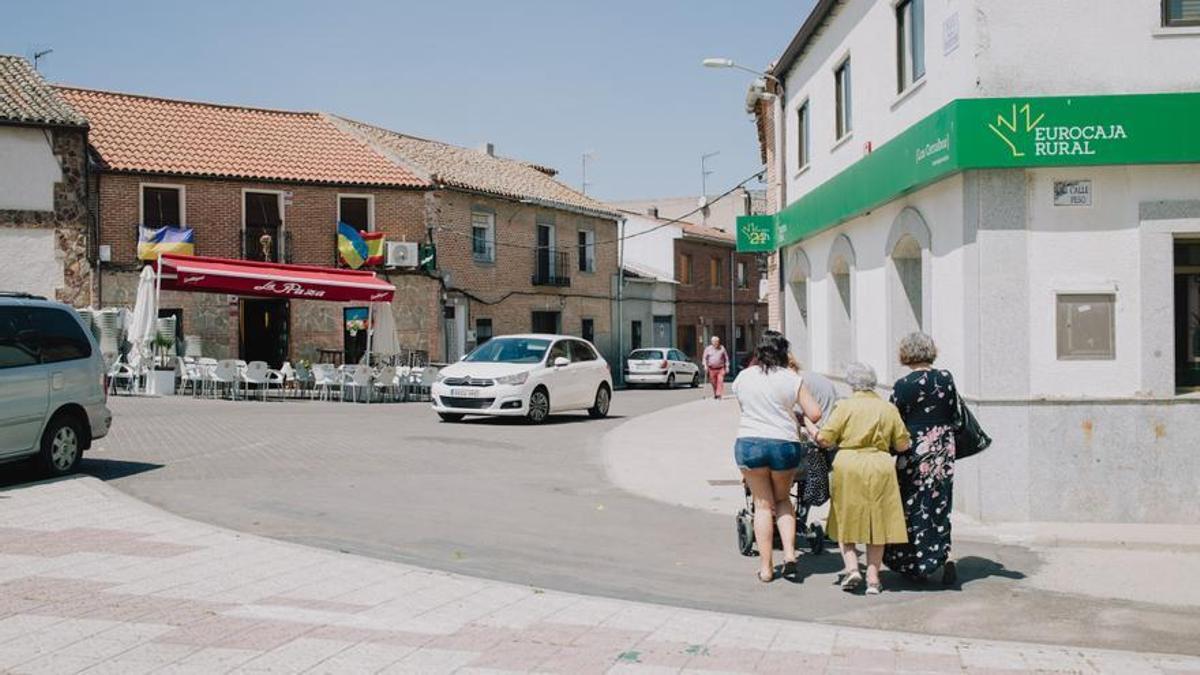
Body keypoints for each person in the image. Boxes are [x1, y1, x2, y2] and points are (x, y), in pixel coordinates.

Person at [809, 362, 911, 595]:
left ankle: (853, 568)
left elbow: (825, 440)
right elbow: (903, 444)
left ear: (851, 383)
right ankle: (874, 579)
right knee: (878, 523)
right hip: (880, 465)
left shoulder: (844, 407)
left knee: (846, 518)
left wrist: (812, 431)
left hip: (849, 465)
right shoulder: (888, 409)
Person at [733, 331, 824, 582]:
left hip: (750, 442)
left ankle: (765, 568)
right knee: (783, 500)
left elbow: (743, 408)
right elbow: (814, 413)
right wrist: (791, 413)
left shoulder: (744, 377)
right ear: (784, 351)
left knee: (762, 505)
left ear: (758, 351)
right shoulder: (791, 378)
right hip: (784, 444)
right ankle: (791, 555)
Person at [884, 332, 961, 585]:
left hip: (915, 449)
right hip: (942, 448)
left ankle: (916, 562)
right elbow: (952, 411)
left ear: (906, 353)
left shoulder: (903, 385)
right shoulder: (946, 378)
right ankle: (944, 556)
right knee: (940, 502)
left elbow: (895, 420)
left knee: (912, 504)